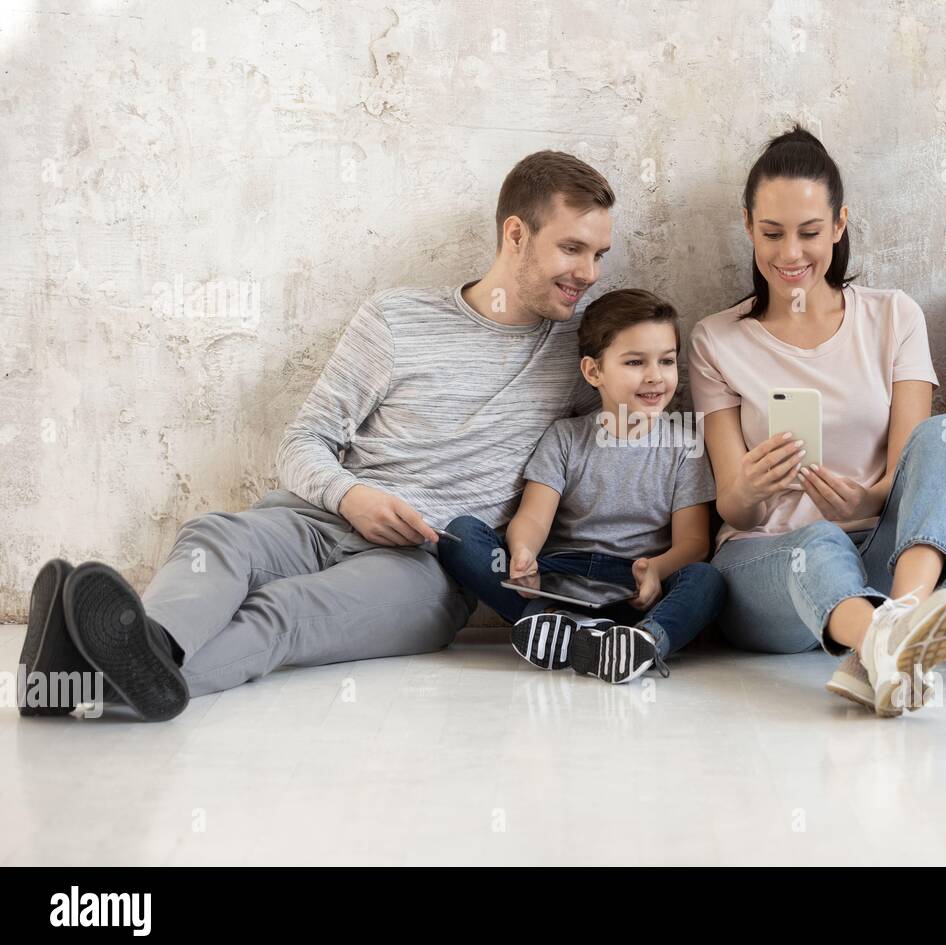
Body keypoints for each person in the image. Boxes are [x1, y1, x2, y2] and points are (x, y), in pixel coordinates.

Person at [21, 150, 616, 720]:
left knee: (282, 613)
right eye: (571, 249)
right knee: (216, 536)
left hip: (427, 568)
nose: (587, 274)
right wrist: (351, 496)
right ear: (515, 234)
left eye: (598, 255)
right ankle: (134, 656)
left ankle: (79, 678)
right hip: (317, 520)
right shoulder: (397, 317)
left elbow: (637, 418)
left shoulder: (581, 357)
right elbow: (303, 440)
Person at [688, 127, 946, 718]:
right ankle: (888, 643)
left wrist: (864, 499)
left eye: (810, 232)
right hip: (769, 564)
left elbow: (909, 468)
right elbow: (731, 509)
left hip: (875, 553)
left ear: (839, 224)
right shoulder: (715, 339)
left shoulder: (893, 315)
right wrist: (751, 488)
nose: (790, 254)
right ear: (747, 226)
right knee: (817, 540)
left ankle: (900, 617)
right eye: (771, 233)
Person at [438, 289, 725, 684]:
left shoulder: (684, 445)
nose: (656, 376)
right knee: (461, 536)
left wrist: (655, 570)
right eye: (635, 362)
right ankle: (554, 623)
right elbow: (533, 518)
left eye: (667, 361)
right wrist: (524, 554)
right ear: (593, 372)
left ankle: (641, 641)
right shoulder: (566, 438)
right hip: (559, 580)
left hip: (636, 587)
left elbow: (693, 543)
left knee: (707, 580)